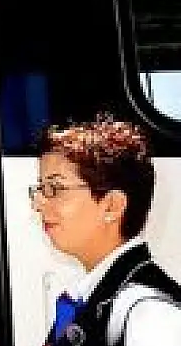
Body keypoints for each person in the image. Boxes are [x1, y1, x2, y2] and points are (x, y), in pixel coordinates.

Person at [31, 115, 181, 346]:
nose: (38, 203)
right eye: (41, 189)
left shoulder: (149, 315)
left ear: (113, 206)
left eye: (55, 188)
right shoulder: (94, 297)